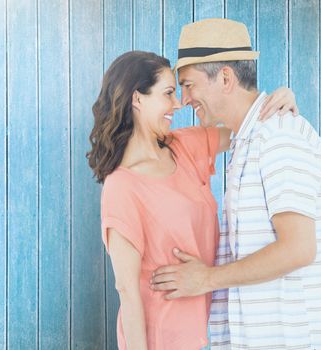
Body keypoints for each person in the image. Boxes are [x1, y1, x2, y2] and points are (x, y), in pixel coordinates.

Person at [150, 18, 321, 349]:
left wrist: (205, 278)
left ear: (226, 78)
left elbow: (298, 248)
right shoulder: (249, 139)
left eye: (189, 85)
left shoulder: (279, 137)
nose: (185, 100)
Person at [87, 50, 298, 349]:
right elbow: (127, 289)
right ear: (137, 99)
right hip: (160, 339)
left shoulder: (184, 146)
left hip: (204, 332)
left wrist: (278, 100)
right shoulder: (122, 186)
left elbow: (247, 125)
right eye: (169, 93)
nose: (178, 103)